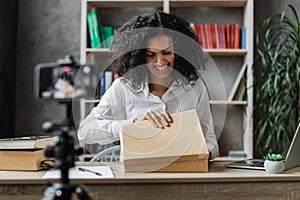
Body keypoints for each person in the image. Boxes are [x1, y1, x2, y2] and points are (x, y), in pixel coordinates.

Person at [78, 12, 219, 159]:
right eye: (151, 54)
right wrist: (134, 125)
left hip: (183, 174)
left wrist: (204, 154)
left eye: (167, 52)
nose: (160, 61)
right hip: (136, 176)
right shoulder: (124, 87)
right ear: (138, 55)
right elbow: (85, 132)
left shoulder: (195, 87)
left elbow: (210, 140)